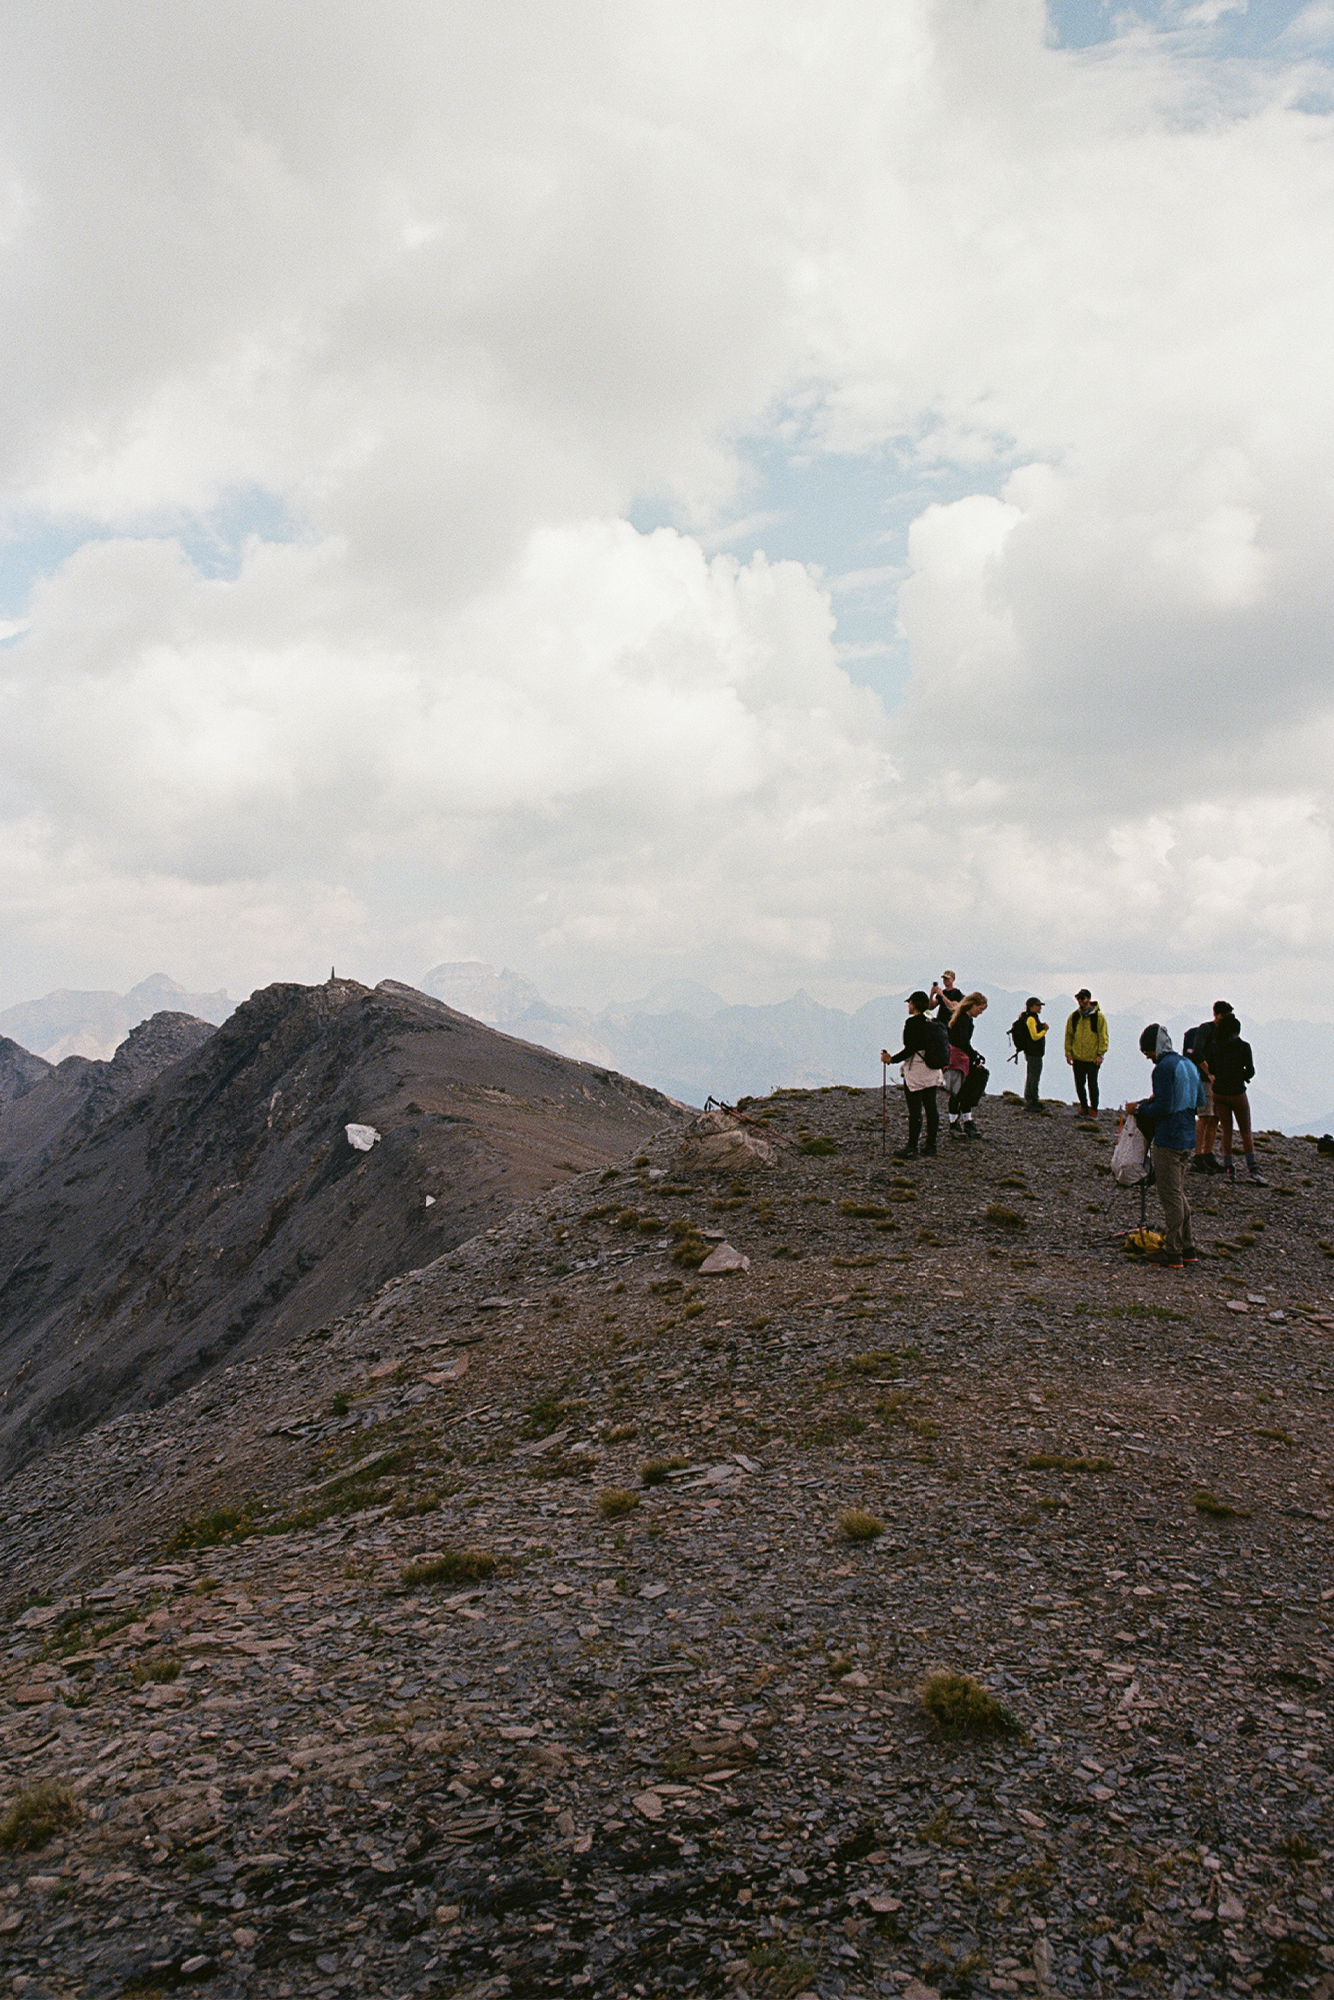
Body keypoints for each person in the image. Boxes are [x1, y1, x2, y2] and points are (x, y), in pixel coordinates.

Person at [1126, 1024, 1205, 1269]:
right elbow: (1200, 1100)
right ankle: (1188, 1247)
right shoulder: (1188, 1065)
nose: (1148, 1057)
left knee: (1170, 1197)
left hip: (1168, 1139)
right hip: (1187, 1138)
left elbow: (1163, 1107)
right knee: (1178, 1194)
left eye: (1147, 1052)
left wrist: (1138, 1108)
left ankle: (1172, 1253)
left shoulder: (1162, 1069)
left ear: (1155, 1047)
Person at [881, 991, 945, 1159]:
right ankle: (931, 1145)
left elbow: (909, 1049)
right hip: (933, 1067)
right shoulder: (932, 1019)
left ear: (915, 1004)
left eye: (910, 1003)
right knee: (931, 1107)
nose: (908, 1006)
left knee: (915, 1110)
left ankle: (912, 1147)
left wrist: (891, 1059)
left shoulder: (912, 1023)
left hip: (917, 1068)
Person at [1209, 1013, 1265, 1183]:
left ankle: (1229, 1170)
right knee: (1245, 1132)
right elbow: (1250, 1071)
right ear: (1237, 1030)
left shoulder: (1214, 1046)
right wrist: (1242, 1074)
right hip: (1236, 1092)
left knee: (1226, 1131)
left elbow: (1212, 1067)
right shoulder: (1244, 1047)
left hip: (1218, 1092)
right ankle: (1252, 1171)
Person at [1183, 1001, 1235, 1173]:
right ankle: (1197, 1156)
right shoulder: (1206, 1029)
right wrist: (1209, 1072)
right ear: (1216, 1014)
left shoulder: (1225, 1033)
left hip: (1218, 1080)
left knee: (1215, 1118)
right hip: (1205, 1079)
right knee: (1205, 1116)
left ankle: (1208, 1153)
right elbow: (1197, 1052)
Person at [945, 992, 988, 1139]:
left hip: (959, 1057)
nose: (980, 1012)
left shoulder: (964, 1019)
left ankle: (961, 1121)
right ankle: (958, 1122)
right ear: (973, 1005)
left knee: (961, 1090)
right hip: (958, 1059)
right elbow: (963, 1042)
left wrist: (973, 1054)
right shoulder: (964, 1020)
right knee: (958, 1092)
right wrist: (974, 1055)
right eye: (980, 1009)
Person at [1064, 989, 1108, 1114]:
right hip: (1078, 1057)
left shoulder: (1099, 1017)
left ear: (1089, 999)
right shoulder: (1074, 1016)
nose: (1080, 1002)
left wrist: (1100, 1054)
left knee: (1092, 1085)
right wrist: (1068, 1052)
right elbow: (1069, 1035)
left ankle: (1093, 1109)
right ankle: (1084, 1107)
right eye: (1078, 999)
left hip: (1092, 1058)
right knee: (1079, 1084)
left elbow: (1103, 1036)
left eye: (1082, 999)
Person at [1019, 997, 1048, 1111]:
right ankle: (1032, 1101)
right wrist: (1044, 1030)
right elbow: (1034, 1036)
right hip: (1034, 1053)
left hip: (1032, 1052)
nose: (1040, 1007)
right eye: (1037, 1005)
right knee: (1034, 1076)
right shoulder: (1031, 1019)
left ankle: (1031, 1099)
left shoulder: (1031, 1017)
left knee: (1031, 1075)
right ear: (1031, 1007)